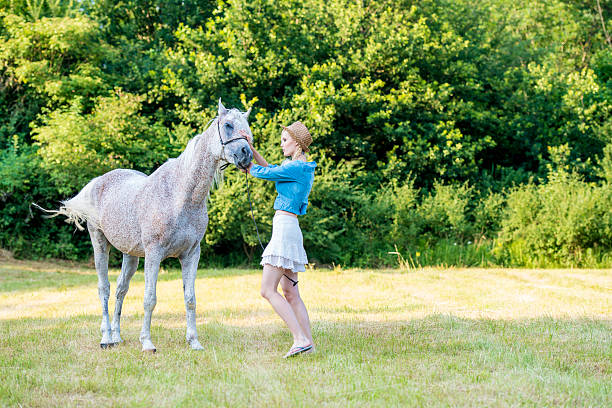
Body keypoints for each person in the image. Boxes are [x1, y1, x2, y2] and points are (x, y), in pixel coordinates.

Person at [239, 121, 316, 358]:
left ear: (297, 143)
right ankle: (309, 344)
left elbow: (267, 172)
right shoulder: (299, 167)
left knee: (267, 290)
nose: (281, 144)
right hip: (288, 228)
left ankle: (300, 339)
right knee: (290, 293)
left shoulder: (296, 168)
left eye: (284, 140)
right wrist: (251, 152)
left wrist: (247, 164)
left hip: (285, 229)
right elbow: (271, 168)